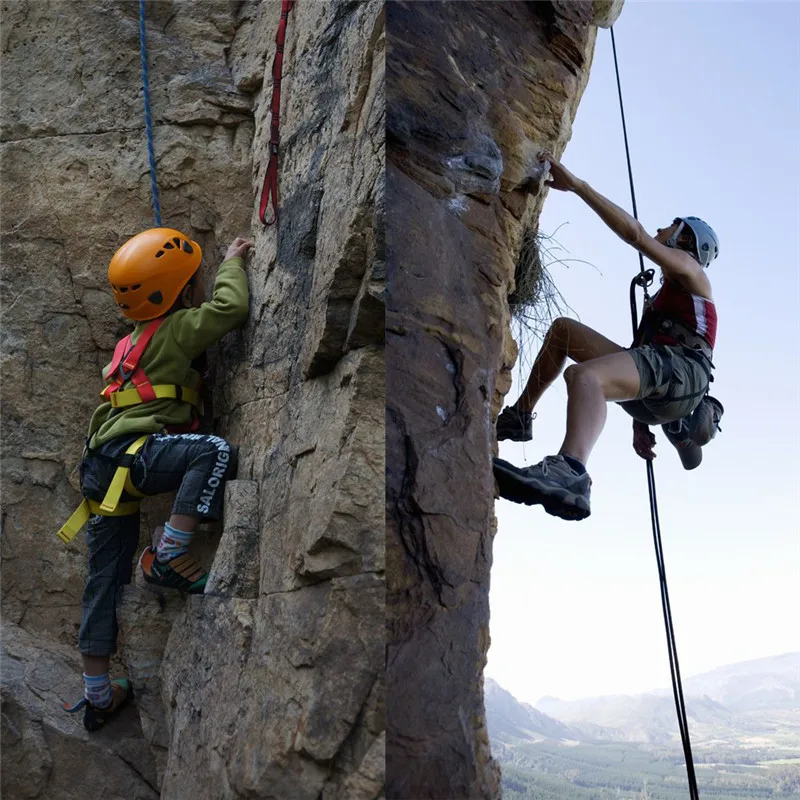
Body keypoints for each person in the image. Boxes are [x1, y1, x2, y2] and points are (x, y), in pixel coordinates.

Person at [62, 228, 252, 730]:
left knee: (102, 581)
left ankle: (97, 693)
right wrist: (232, 263)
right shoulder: (179, 327)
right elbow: (230, 310)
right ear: (182, 290)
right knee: (211, 452)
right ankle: (168, 553)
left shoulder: (127, 344)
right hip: (135, 455)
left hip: (101, 469)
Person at [493, 152, 719, 521]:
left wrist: (579, 187)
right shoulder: (665, 299)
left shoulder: (692, 270)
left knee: (585, 377)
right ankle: (520, 416)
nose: (661, 231)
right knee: (563, 333)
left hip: (683, 372)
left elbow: (635, 235)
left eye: (670, 228)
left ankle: (572, 471)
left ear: (684, 239)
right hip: (665, 382)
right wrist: (639, 421)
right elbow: (643, 361)